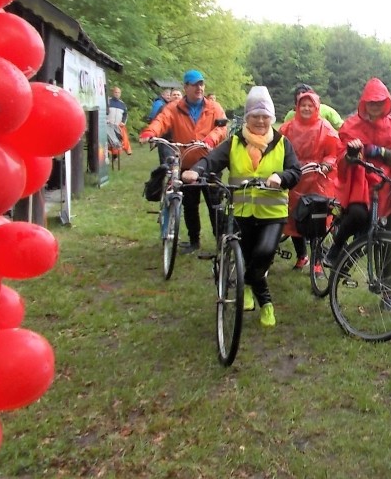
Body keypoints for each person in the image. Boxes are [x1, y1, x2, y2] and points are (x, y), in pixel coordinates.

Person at [181, 86, 301, 328]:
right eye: (255, 115)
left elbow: (295, 171)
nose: (260, 120)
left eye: (265, 116)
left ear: (272, 117)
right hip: (241, 213)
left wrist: (281, 177)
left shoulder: (282, 143)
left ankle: (264, 301)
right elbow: (212, 159)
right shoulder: (234, 142)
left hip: (272, 214)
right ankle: (249, 294)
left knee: (263, 255)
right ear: (247, 117)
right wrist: (197, 170)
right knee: (245, 257)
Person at [322, 78, 391, 309]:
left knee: (387, 243)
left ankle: (387, 295)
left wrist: (379, 151)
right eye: (371, 102)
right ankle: (337, 248)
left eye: (379, 102)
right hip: (361, 184)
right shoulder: (352, 125)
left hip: (388, 187)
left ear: (387, 102)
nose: (375, 106)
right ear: (364, 103)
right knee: (356, 215)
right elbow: (342, 159)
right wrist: (353, 154)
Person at [140, 70, 228, 255]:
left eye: (201, 84)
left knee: (215, 203)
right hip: (186, 163)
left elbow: (222, 128)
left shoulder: (214, 107)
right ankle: (194, 240)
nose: (199, 88)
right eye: (195, 84)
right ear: (185, 87)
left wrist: (211, 139)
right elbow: (161, 121)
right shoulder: (174, 108)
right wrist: (150, 132)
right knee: (189, 203)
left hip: (210, 163)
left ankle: (222, 240)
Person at [278, 87, 339, 272]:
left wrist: (326, 165)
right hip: (294, 179)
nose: (306, 109)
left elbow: (334, 151)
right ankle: (301, 256)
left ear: (316, 107)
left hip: (317, 181)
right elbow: (277, 148)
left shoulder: (325, 127)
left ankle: (317, 262)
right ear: (297, 106)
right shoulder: (287, 127)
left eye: (309, 105)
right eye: (302, 105)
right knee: (294, 218)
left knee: (317, 221)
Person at [106, 86, 133, 155]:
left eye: (118, 93)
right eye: (115, 92)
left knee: (121, 136)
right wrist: (106, 120)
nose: (117, 94)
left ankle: (120, 152)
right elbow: (103, 112)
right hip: (108, 125)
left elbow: (125, 114)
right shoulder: (108, 101)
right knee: (109, 139)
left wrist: (123, 122)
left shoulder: (122, 104)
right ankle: (109, 152)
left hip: (117, 126)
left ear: (120, 94)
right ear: (113, 92)